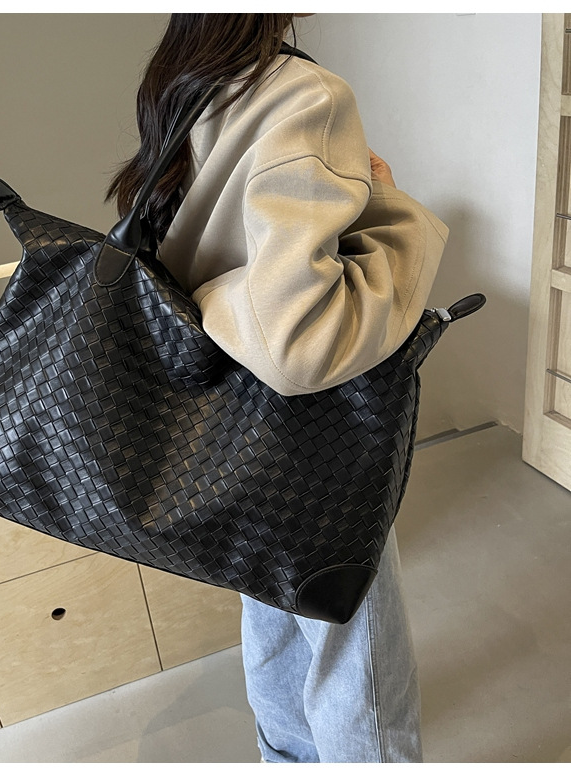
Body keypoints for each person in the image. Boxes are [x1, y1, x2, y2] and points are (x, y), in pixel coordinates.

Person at [107, 13, 448, 764]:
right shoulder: (306, 94)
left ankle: (288, 760)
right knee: (355, 641)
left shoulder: (184, 75)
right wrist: (394, 209)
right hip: (310, 431)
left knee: (272, 609)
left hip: (222, 421)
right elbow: (301, 346)